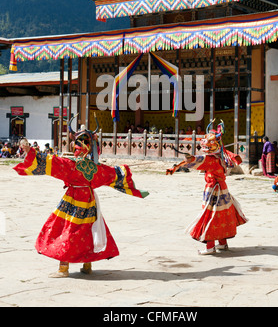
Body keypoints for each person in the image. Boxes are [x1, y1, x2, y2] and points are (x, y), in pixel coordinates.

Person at [14, 115, 149, 278]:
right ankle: (87, 265)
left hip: (73, 198)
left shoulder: (71, 165)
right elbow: (113, 174)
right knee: (88, 231)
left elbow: (50, 162)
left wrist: (29, 151)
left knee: (68, 230)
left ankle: (63, 268)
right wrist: (135, 188)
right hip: (89, 200)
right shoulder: (95, 167)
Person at [166, 119, 248, 255]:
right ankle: (222, 243)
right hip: (223, 190)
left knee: (210, 216)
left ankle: (210, 247)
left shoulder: (212, 160)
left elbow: (198, 160)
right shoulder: (222, 156)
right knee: (221, 216)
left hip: (213, 191)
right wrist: (177, 166)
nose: (206, 145)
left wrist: (187, 161)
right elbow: (198, 159)